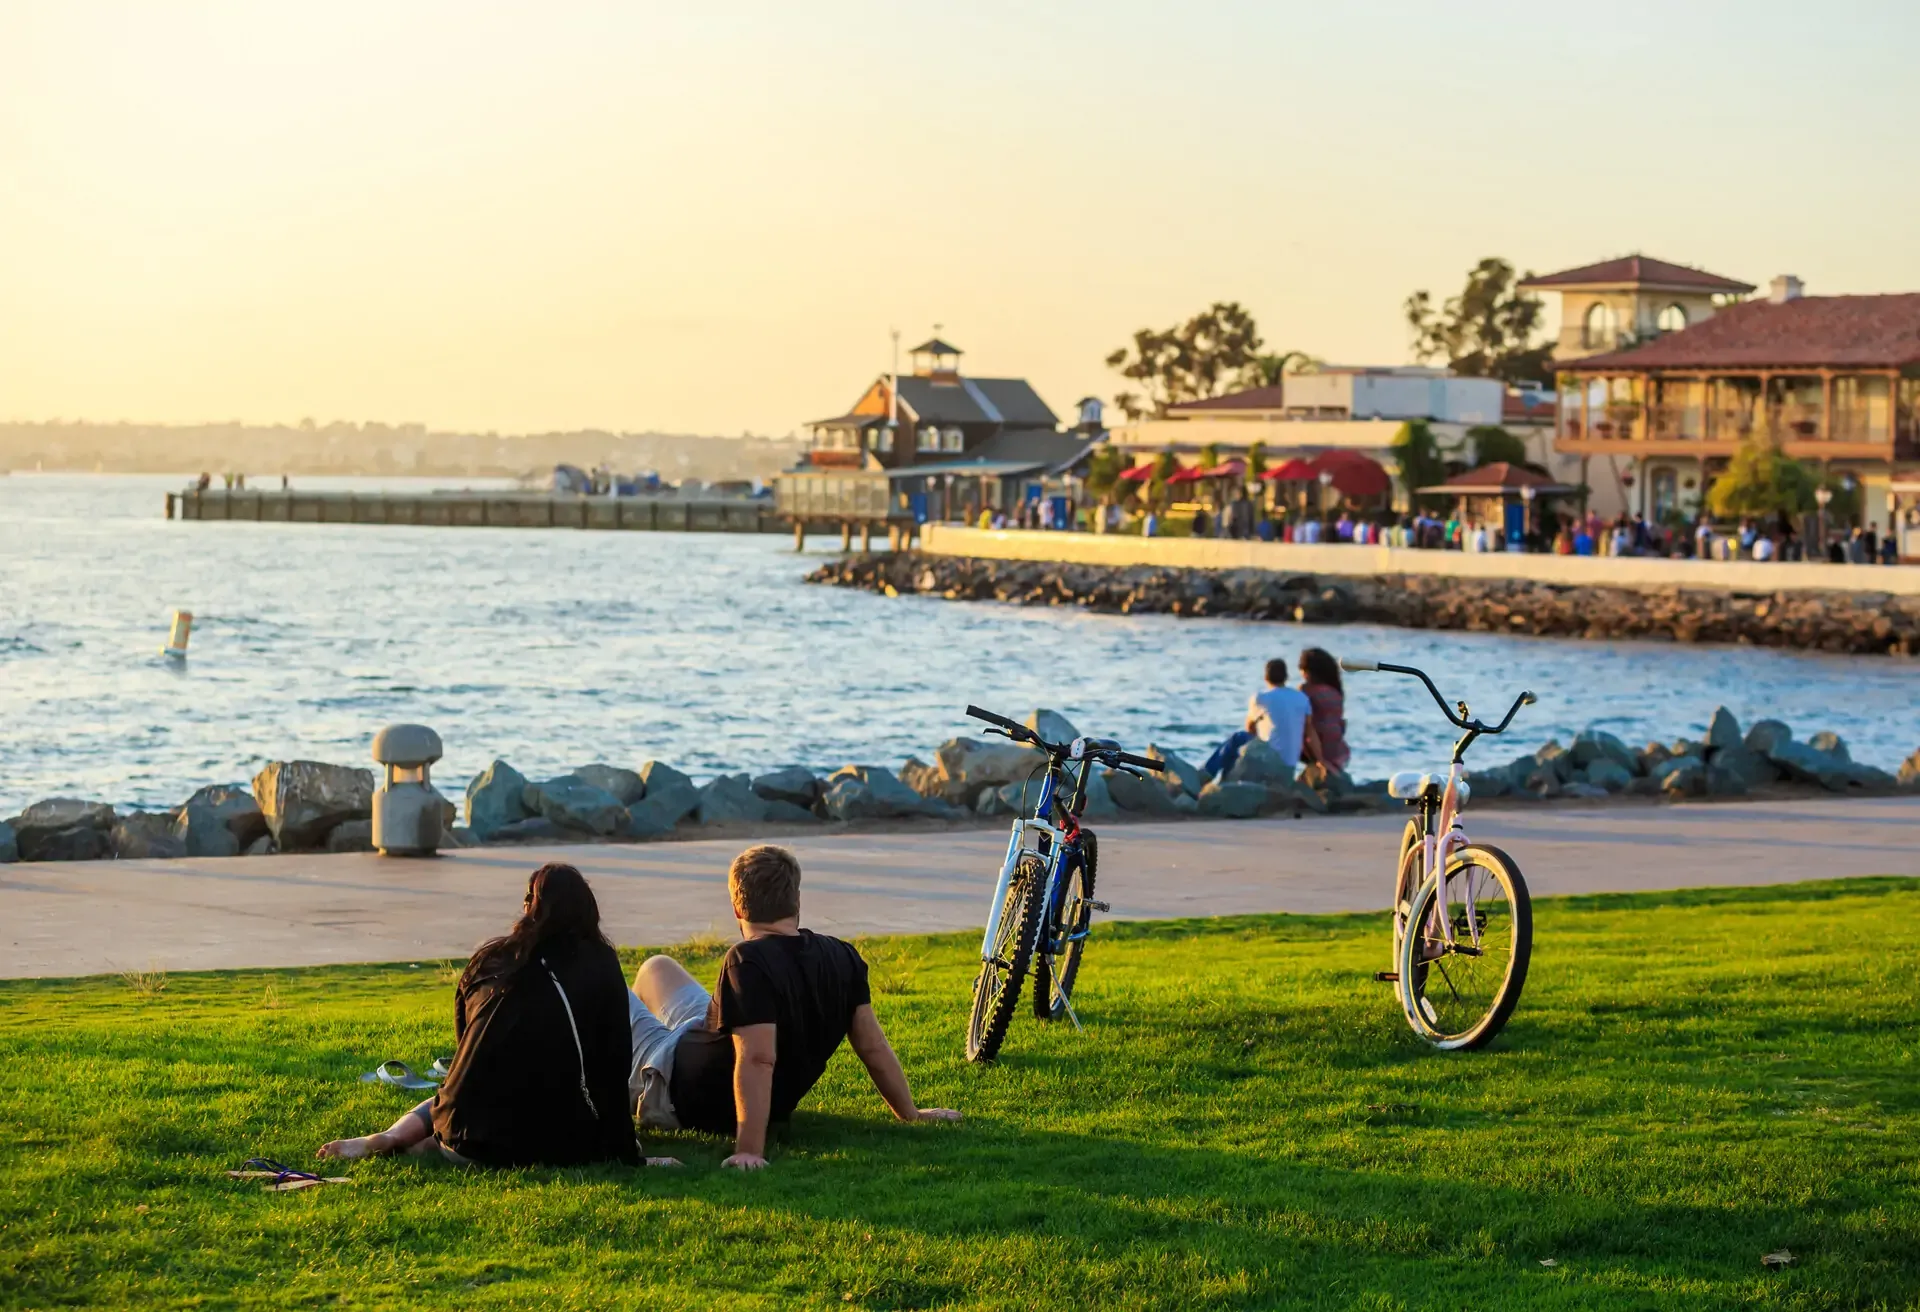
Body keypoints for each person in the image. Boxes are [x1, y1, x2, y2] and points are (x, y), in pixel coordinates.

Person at [626, 845, 959, 1170]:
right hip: (699, 1039)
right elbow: (873, 1046)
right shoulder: (842, 956)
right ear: (796, 901)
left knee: (618, 991)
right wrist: (910, 1113)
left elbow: (757, 1058)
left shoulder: (746, 961)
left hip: (672, 1085)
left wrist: (749, 1151)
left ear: (737, 910)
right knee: (657, 967)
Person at [318, 863, 644, 1168]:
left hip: (457, 1125)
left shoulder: (492, 957)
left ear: (530, 907)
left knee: (457, 1091)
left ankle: (394, 1137)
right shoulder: (600, 963)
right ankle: (431, 1145)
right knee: (542, 1103)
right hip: (535, 1145)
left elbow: (466, 1051)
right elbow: (611, 1068)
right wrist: (628, 1153)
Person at [1202, 657, 1320, 780]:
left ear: (1265, 677)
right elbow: (1310, 733)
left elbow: (1249, 728)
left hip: (1269, 762)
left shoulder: (1261, 698)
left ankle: (1209, 774)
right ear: (1286, 677)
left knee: (1238, 738)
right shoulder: (1302, 698)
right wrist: (1319, 761)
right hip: (1289, 768)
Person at [1297, 647, 1350, 773]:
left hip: (1317, 745)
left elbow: (1304, 724)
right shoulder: (1336, 691)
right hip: (1337, 747)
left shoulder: (1306, 690)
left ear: (1308, 671)